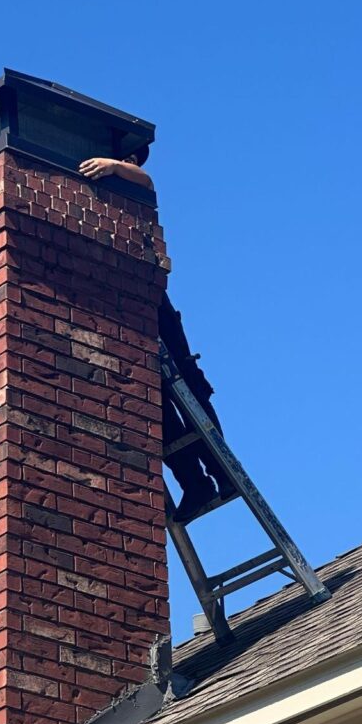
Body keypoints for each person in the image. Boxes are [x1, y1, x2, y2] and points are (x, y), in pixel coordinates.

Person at [79, 148, 230, 524]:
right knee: (153, 399)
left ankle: (222, 471)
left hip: (151, 299)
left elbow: (147, 182)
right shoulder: (104, 194)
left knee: (187, 384)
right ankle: (194, 483)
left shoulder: (129, 182)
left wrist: (114, 166)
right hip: (123, 301)